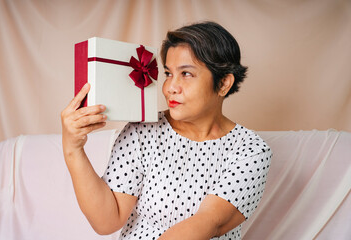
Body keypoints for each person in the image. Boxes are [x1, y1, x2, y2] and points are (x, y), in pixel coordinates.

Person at [61, 21, 272, 240]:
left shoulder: (251, 151)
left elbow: (209, 222)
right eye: (168, 73)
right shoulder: (142, 131)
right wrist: (73, 149)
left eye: (186, 74)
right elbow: (107, 221)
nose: (170, 87)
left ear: (223, 84)